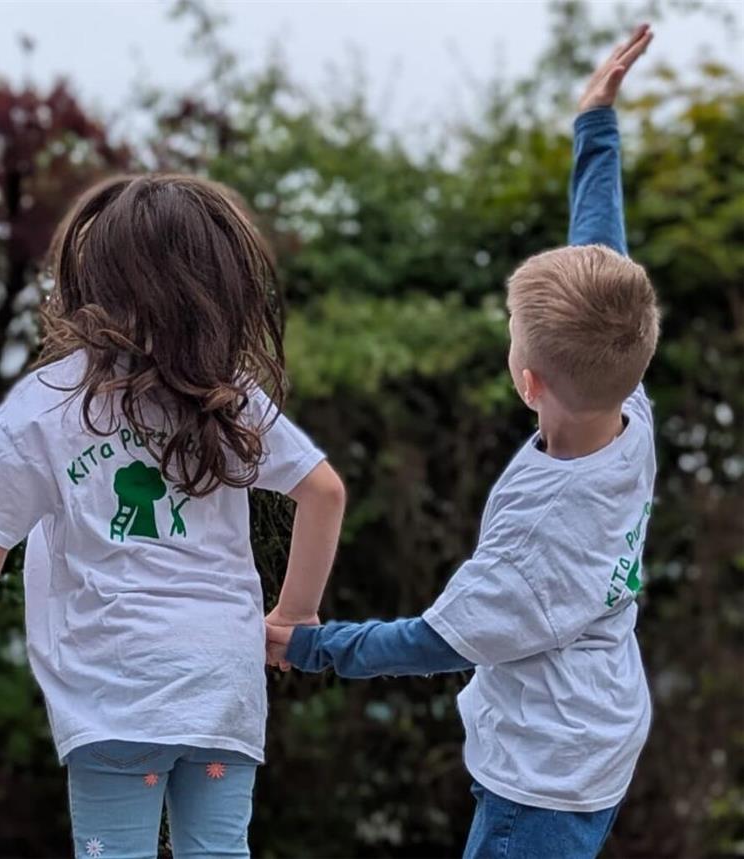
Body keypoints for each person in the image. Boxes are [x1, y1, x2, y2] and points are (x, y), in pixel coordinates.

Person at [266, 24, 657, 859]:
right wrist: (595, 126)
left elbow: (434, 640)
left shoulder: (540, 537)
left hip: (541, 778)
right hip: (598, 731)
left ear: (528, 381)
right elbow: (604, 254)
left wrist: (310, 644)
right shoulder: (630, 406)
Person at [0, 175, 346, 858]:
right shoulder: (227, 396)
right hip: (222, 685)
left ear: (91, 277)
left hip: (115, 694)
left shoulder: (49, 402)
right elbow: (324, 491)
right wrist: (295, 614)